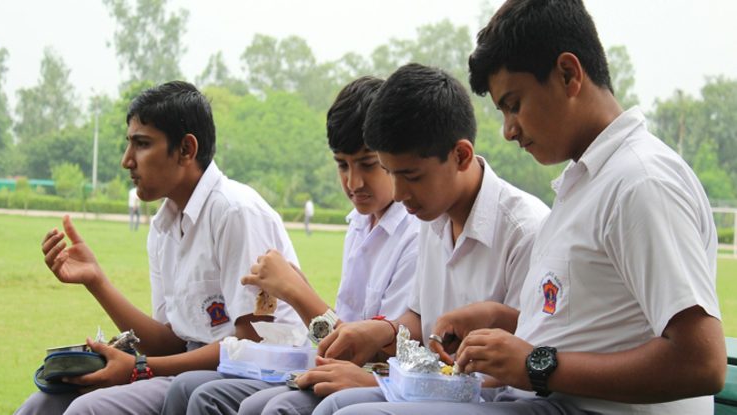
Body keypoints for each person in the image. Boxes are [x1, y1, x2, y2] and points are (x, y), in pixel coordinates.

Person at [322, 1, 727, 415]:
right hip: (544, 400)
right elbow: (595, 332)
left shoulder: (641, 183)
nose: (509, 130)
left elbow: (702, 363)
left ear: (568, 75)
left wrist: (536, 365)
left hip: (586, 408)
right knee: (333, 406)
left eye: (514, 104)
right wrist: (500, 320)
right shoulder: (587, 182)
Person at [14, 81, 304, 415]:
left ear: (186, 150)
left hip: (246, 377)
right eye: (129, 145)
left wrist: (139, 368)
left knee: (88, 410)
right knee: (43, 405)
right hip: (188, 370)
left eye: (142, 144)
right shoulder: (163, 227)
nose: (126, 161)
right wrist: (96, 280)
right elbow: (174, 341)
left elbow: (251, 341)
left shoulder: (235, 212)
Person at [161, 76, 422, 415]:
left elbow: (372, 353)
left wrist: (298, 293)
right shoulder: (360, 224)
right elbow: (341, 335)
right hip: (337, 368)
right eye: (342, 164)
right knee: (205, 393)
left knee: (259, 407)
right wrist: (297, 290)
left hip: (378, 381)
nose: (353, 182)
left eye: (368, 164)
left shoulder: (414, 234)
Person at [304, 63, 549, 415]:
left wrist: (385, 383)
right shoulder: (432, 216)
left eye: (411, 176)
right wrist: (382, 333)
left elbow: (519, 367)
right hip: (435, 389)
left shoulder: (525, 231)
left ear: (461, 156)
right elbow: (421, 321)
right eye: (389, 173)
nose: (399, 193)